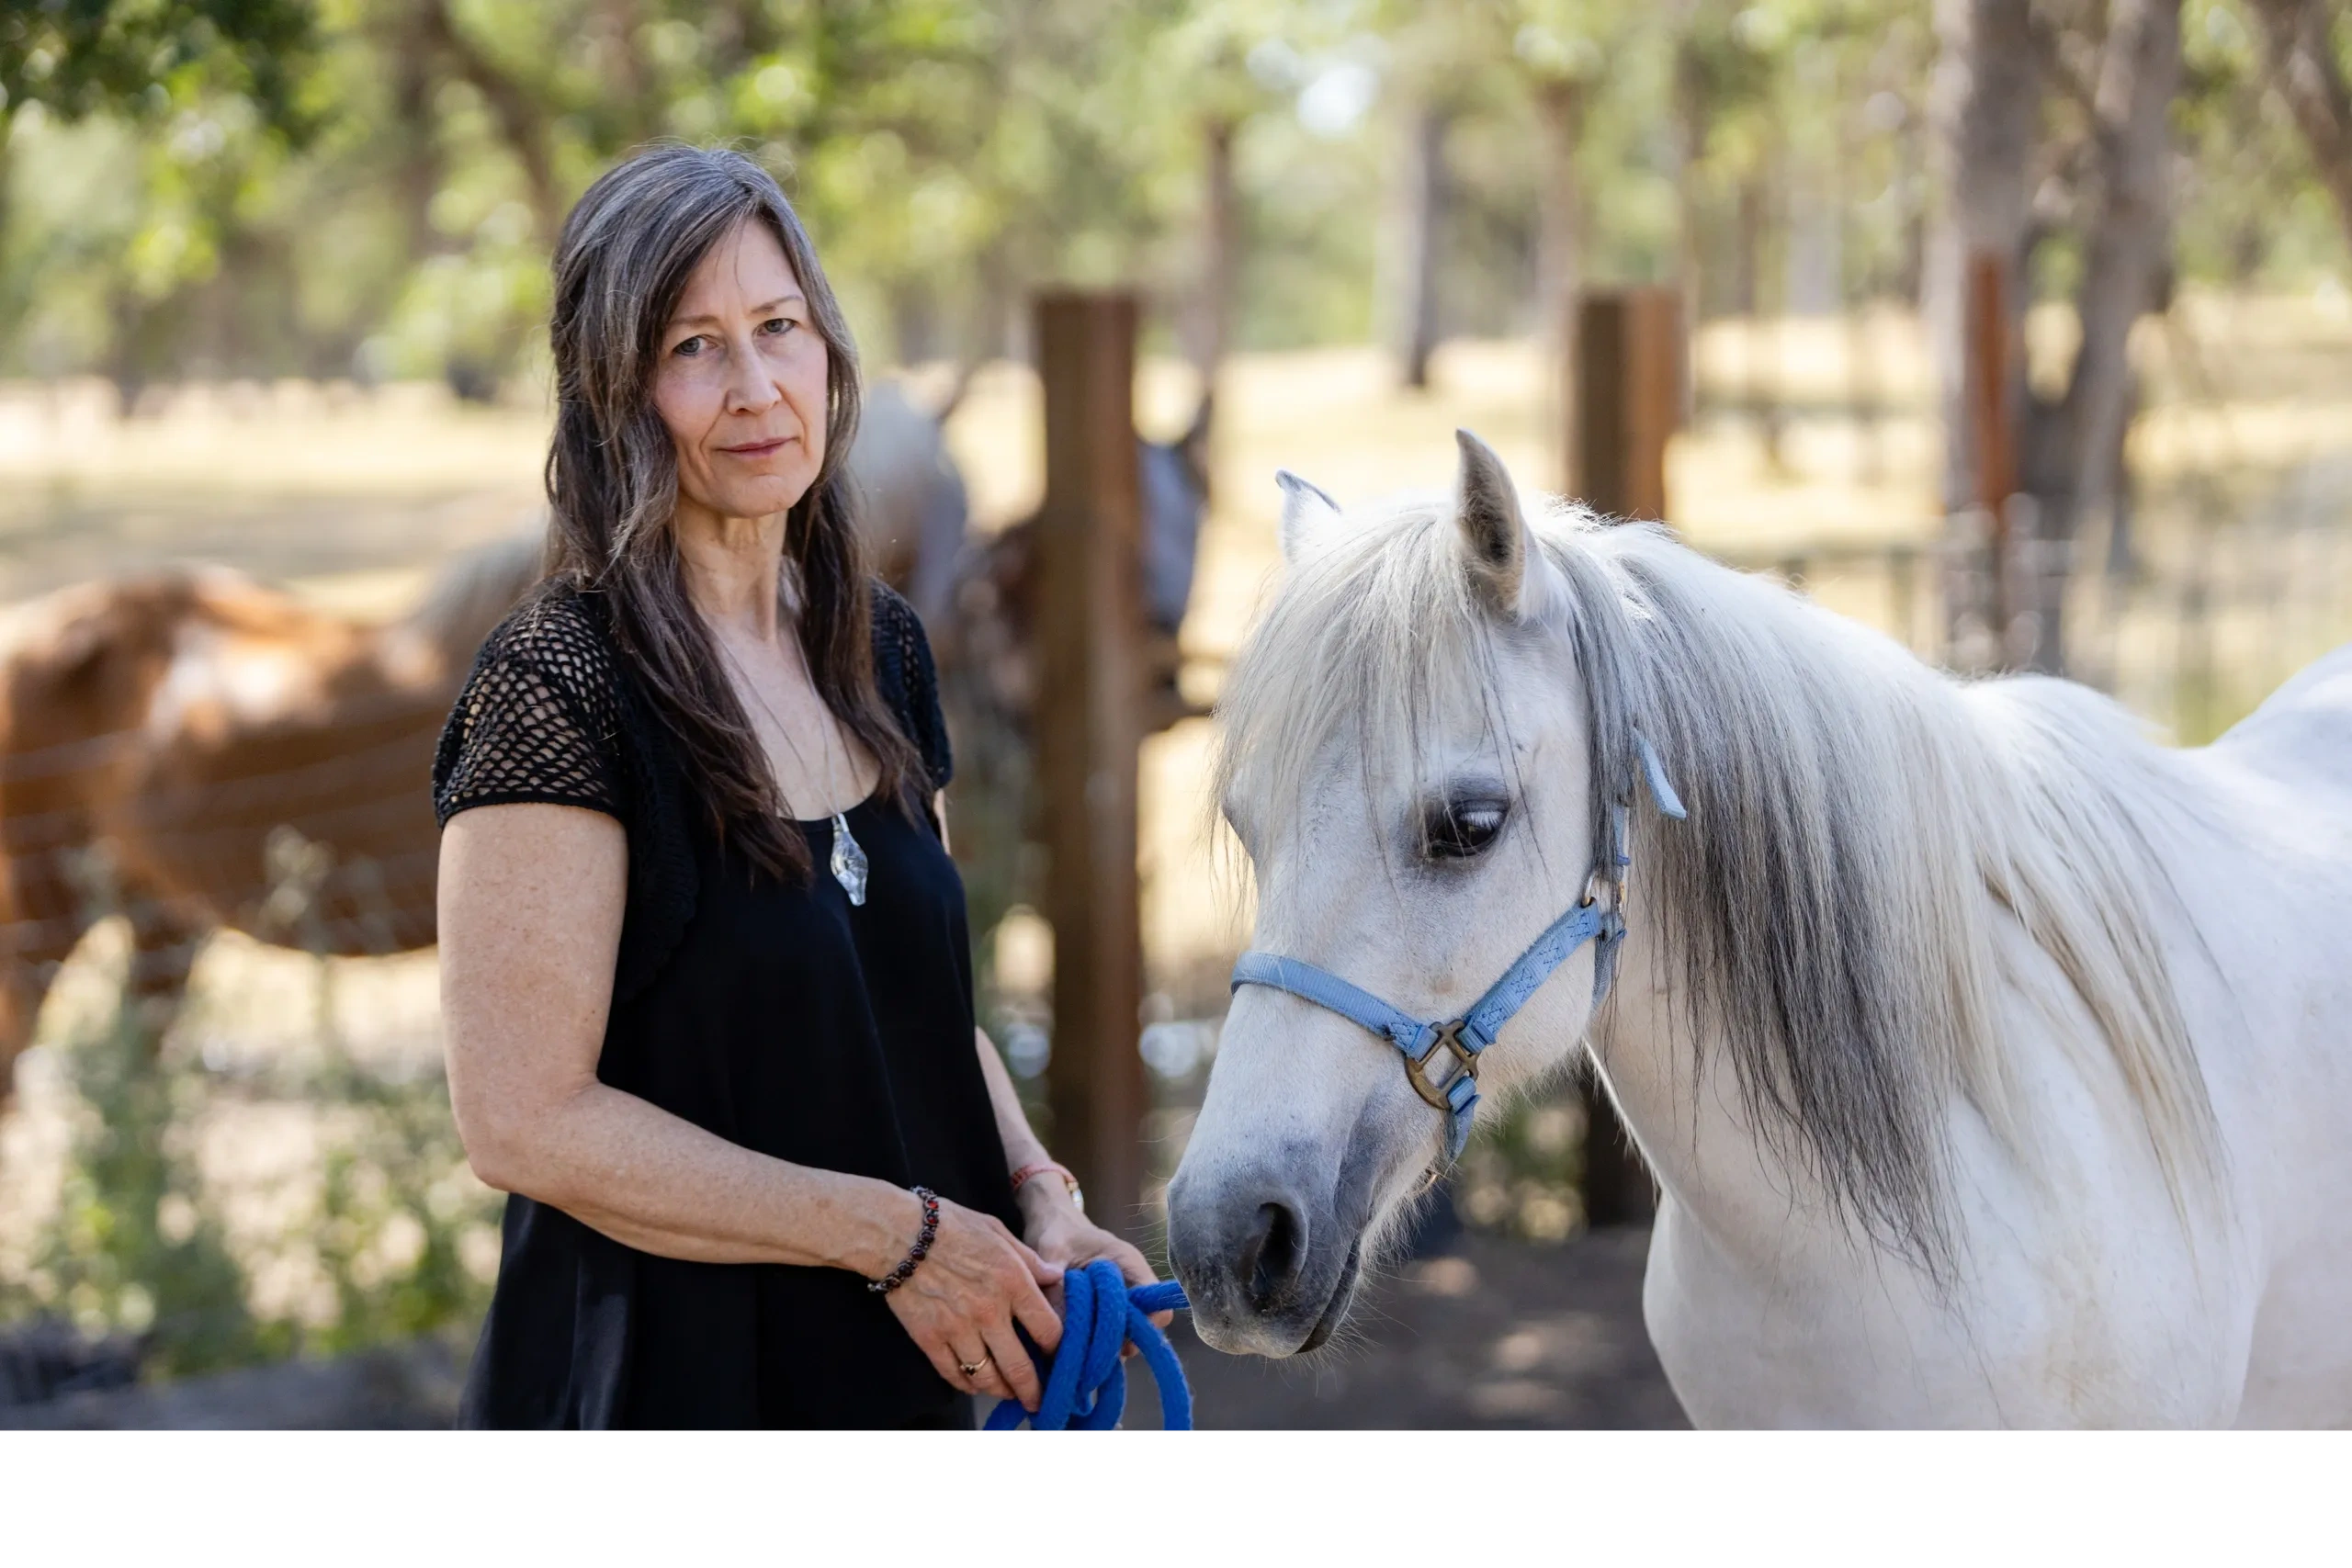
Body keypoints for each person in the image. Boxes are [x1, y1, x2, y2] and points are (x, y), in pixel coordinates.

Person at [432, 144, 1152, 1431]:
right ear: (613, 394)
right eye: (693, 348)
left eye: (779, 327)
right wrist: (899, 1235)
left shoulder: (879, 646)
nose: (757, 388)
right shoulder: (557, 684)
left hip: (898, 1386)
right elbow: (521, 1119)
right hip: (661, 1385)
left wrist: (1040, 1191)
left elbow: (916, 1005)